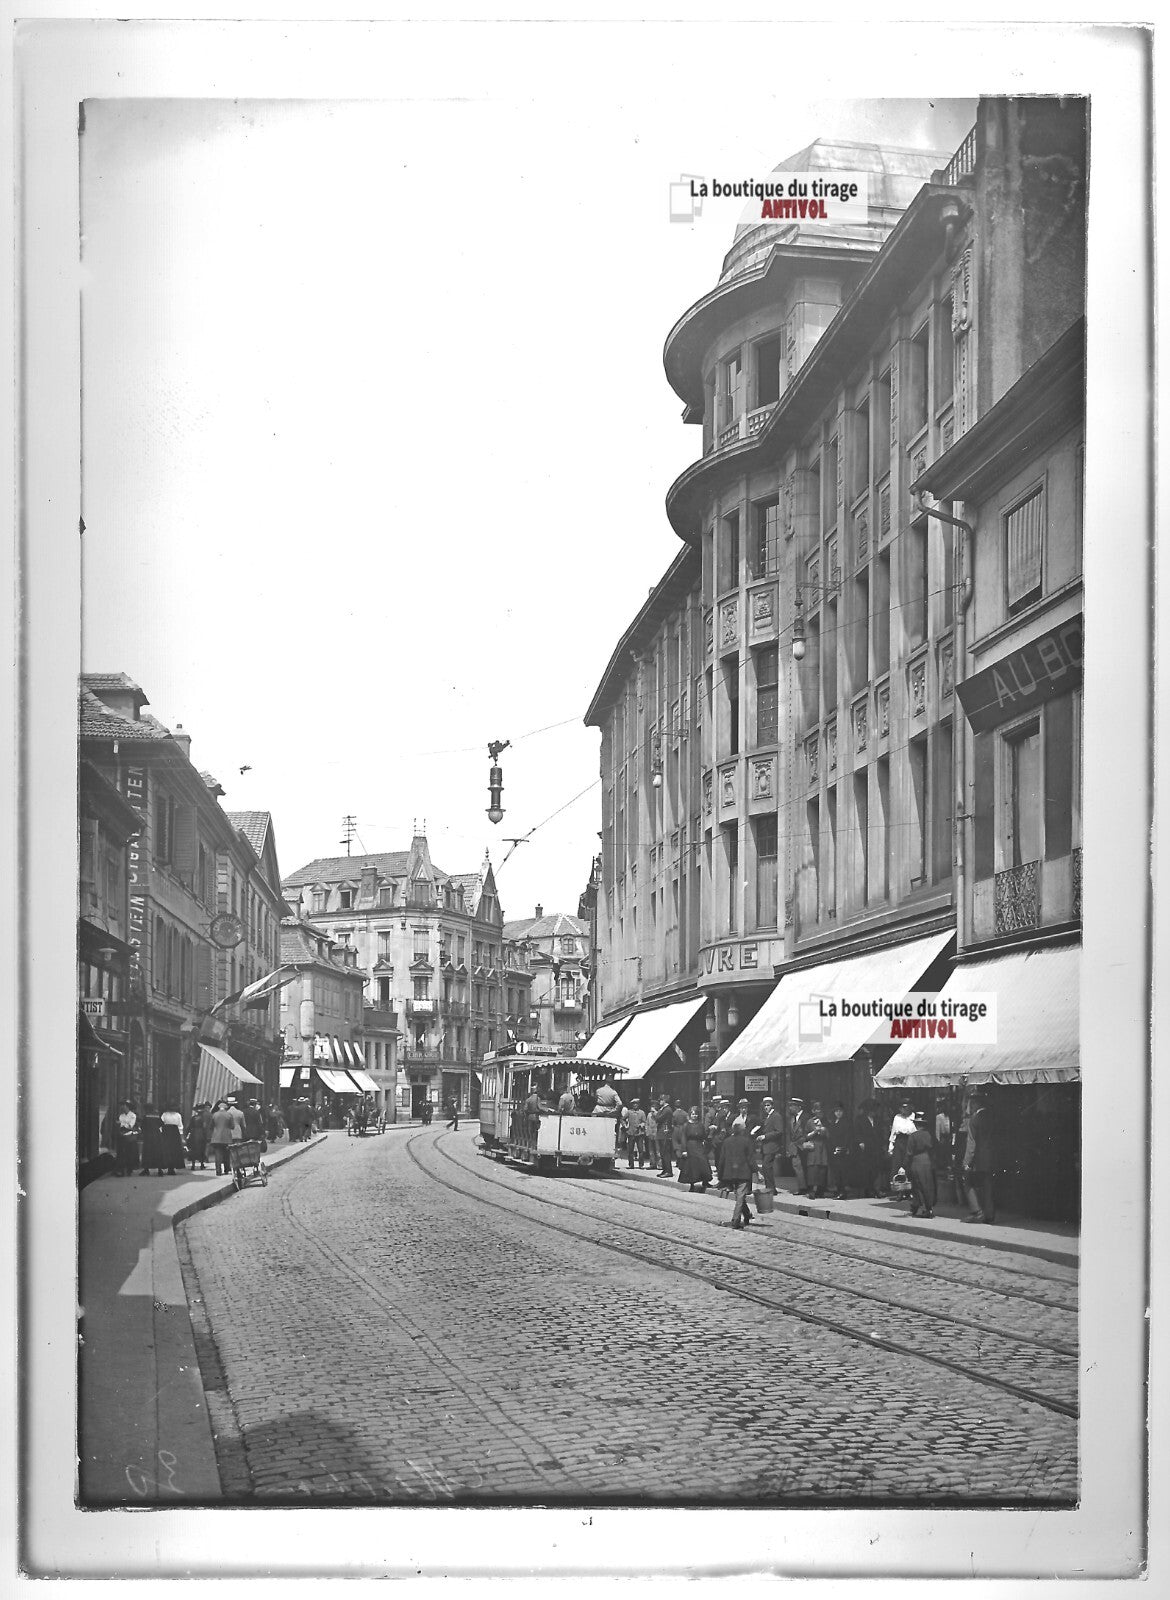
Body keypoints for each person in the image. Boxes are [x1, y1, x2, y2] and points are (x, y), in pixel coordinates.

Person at [962, 1091, 997, 1223]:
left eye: (971, 1103)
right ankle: (990, 1215)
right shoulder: (992, 1116)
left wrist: (966, 1162)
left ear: (976, 1104)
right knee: (988, 1186)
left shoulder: (974, 1119)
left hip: (979, 1159)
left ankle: (977, 1211)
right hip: (993, 1157)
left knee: (968, 1183)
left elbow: (971, 1143)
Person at [721, 1117, 758, 1228]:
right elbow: (751, 1159)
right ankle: (735, 1220)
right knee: (740, 1196)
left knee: (739, 1196)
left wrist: (721, 1176)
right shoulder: (747, 1141)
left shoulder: (726, 1141)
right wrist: (757, 1172)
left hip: (730, 1174)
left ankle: (747, 1215)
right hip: (743, 1173)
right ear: (743, 1130)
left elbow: (721, 1160)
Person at [905, 1111, 937, 1217]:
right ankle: (929, 1207)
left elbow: (909, 1152)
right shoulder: (929, 1135)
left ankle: (917, 1204)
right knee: (927, 1184)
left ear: (916, 1124)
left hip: (916, 1161)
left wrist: (904, 1165)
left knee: (916, 1185)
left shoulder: (913, 1136)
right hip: (927, 1160)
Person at [679, 1107, 712, 1193]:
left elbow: (704, 1135)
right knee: (692, 1165)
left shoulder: (700, 1125)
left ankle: (705, 1181)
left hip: (699, 1145)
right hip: (690, 1146)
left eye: (696, 1114)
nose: (695, 1116)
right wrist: (684, 1150)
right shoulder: (686, 1125)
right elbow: (683, 1138)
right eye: (693, 1114)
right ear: (690, 1115)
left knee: (703, 1161)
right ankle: (692, 1185)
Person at [887, 1099, 917, 1193]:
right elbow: (894, 1132)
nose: (904, 1110)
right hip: (899, 1141)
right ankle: (899, 1190)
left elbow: (914, 1131)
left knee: (909, 1164)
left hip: (910, 1140)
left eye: (906, 1107)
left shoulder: (914, 1117)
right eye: (902, 1108)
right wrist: (891, 1146)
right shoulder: (897, 1117)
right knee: (897, 1165)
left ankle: (910, 1190)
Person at [851, 1100, 879, 1198]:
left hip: (875, 1147)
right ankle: (867, 1190)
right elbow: (856, 1132)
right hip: (864, 1147)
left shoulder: (877, 1119)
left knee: (875, 1168)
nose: (873, 1112)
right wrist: (860, 1142)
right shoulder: (859, 1119)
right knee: (865, 1169)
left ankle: (873, 1188)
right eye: (871, 1110)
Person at [802, 1102, 830, 1198]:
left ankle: (820, 1190)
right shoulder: (810, 1122)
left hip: (822, 1148)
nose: (819, 1112)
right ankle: (811, 1191)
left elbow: (829, 1135)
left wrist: (823, 1129)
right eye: (816, 1109)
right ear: (813, 1111)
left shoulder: (825, 1121)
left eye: (820, 1110)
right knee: (812, 1169)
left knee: (822, 1169)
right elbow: (805, 1136)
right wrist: (814, 1131)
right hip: (813, 1147)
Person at [758, 1096, 785, 1194]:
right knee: (766, 1167)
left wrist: (765, 1136)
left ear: (772, 1105)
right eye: (764, 1105)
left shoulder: (776, 1116)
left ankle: (771, 1188)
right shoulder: (767, 1116)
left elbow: (779, 1131)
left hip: (772, 1146)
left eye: (768, 1105)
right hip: (766, 1146)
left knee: (766, 1166)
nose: (766, 1107)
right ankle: (769, 1187)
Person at [826, 1102, 852, 1199]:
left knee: (842, 1171)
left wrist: (843, 1147)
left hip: (842, 1150)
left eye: (840, 1111)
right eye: (836, 1111)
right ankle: (837, 1189)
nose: (838, 1113)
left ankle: (842, 1191)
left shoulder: (846, 1123)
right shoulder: (833, 1122)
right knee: (835, 1171)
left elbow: (848, 1136)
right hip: (833, 1149)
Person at [206, 1100, 237, 1176]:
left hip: (216, 1137)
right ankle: (227, 1169)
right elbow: (232, 1126)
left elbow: (211, 1126)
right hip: (226, 1137)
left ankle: (218, 1171)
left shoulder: (214, 1115)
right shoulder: (229, 1115)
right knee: (226, 1154)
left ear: (219, 1108)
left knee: (218, 1154)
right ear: (226, 1108)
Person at [786, 1098, 809, 1194]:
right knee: (797, 1166)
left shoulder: (806, 1117)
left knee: (805, 1166)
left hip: (804, 1145)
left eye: (792, 1106)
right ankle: (802, 1187)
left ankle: (808, 1187)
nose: (790, 1108)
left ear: (799, 1107)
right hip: (795, 1147)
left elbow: (807, 1131)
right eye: (790, 1105)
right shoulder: (791, 1119)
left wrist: (802, 1141)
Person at [138, 1104, 166, 1177]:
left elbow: (142, 1126)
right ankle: (160, 1170)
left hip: (148, 1136)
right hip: (157, 1135)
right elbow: (161, 1124)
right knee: (157, 1152)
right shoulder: (157, 1115)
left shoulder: (146, 1116)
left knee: (147, 1152)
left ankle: (146, 1169)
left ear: (147, 1109)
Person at [158, 1103, 186, 1176]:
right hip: (170, 1132)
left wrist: (181, 1136)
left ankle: (171, 1167)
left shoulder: (169, 1115)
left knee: (171, 1150)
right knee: (170, 1150)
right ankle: (170, 1167)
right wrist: (181, 1137)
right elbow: (180, 1126)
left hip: (170, 1132)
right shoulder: (169, 1115)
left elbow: (180, 1126)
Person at [114, 1100, 140, 1177]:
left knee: (129, 1153)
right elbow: (118, 1125)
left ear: (128, 1106)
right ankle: (121, 1170)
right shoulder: (121, 1116)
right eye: (122, 1105)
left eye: (124, 1105)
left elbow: (130, 1126)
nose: (122, 1107)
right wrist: (122, 1125)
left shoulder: (132, 1115)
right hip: (121, 1135)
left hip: (129, 1136)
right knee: (121, 1152)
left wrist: (121, 1124)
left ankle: (129, 1169)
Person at [654, 1095, 675, 1177]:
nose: (659, 1102)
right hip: (662, 1133)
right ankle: (665, 1169)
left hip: (665, 1133)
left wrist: (656, 1112)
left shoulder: (667, 1109)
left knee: (665, 1153)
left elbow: (658, 1118)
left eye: (661, 1100)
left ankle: (668, 1171)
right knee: (662, 1153)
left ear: (665, 1100)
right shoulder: (663, 1109)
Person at [626, 1099, 648, 1168]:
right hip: (631, 1133)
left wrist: (642, 1124)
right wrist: (625, 1125)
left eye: (636, 1104)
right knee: (630, 1150)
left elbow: (645, 1122)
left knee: (640, 1150)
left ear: (638, 1105)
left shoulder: (642, 1113)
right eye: (633, 1104)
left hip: (639, 1133)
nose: (635, 1105)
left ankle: (641, 1165)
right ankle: (631, 1165)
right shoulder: (629, 1112)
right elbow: (622, 1119)